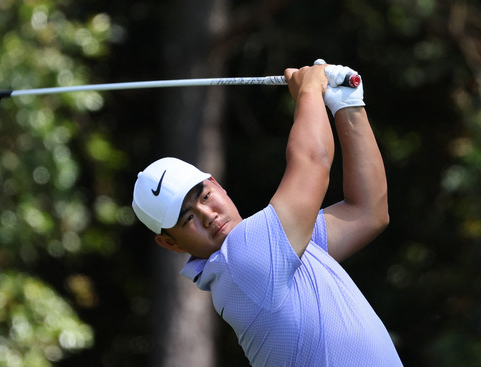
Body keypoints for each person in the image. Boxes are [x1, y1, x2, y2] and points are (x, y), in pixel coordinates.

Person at [132, 60, 403, 366]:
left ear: (218, 185)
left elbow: (368, 212)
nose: (207, 214)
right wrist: (310, 91)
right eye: (187, 218)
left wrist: (347, 105)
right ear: (171, 244)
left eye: (205, 195)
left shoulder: (278, 247)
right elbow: (312, 163)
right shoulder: (241, 260)